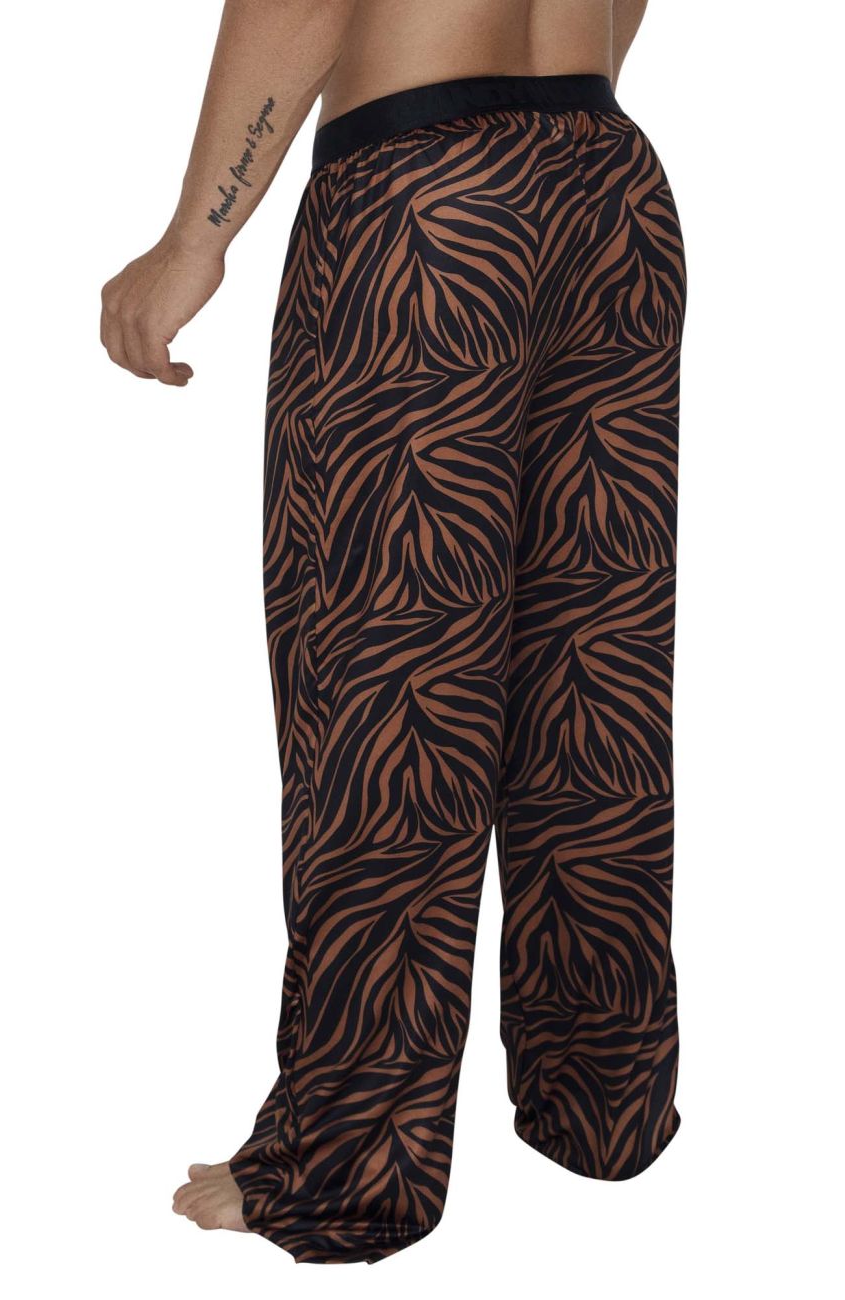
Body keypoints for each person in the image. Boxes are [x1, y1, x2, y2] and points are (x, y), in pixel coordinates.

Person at [101, 0, 684, 1264]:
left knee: (388, 691)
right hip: (608, 185)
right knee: (590, 671)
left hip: (424, 203)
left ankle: (348, 1161)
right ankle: (603, 1093)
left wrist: (194, 239)